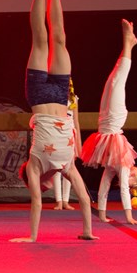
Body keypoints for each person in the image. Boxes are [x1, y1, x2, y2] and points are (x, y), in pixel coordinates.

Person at [12, 0, 96, 243]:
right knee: (59, 38)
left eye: (43, 186)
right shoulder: (66, 166)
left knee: (40, 39)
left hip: (38, 95)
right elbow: (83, 197)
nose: (46, 187)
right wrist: (87, 232)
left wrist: (32, 237)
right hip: (60, 97)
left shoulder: (34, 166)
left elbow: (36, 202)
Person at [80, 19, 137, 225]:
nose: (134, 173)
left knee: (112, 80)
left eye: (135, 176)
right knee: (118, 81)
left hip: (104, 123)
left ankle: (129, 43)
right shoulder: (123, 160)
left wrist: (101, 215)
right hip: (115, 121)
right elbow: (124, 187)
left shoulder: (114, 163)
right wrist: (129, 217)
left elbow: (106, 187)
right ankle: (128, 42)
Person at [52, 78, 80, 211]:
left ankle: (66, 200)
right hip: (58, 133)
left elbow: (76, 121)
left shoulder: (73, 99)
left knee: (69, 167)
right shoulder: (55, 98)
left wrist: (78, 142)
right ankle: (58, 200)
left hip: (70, 134)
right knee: (57, 168)